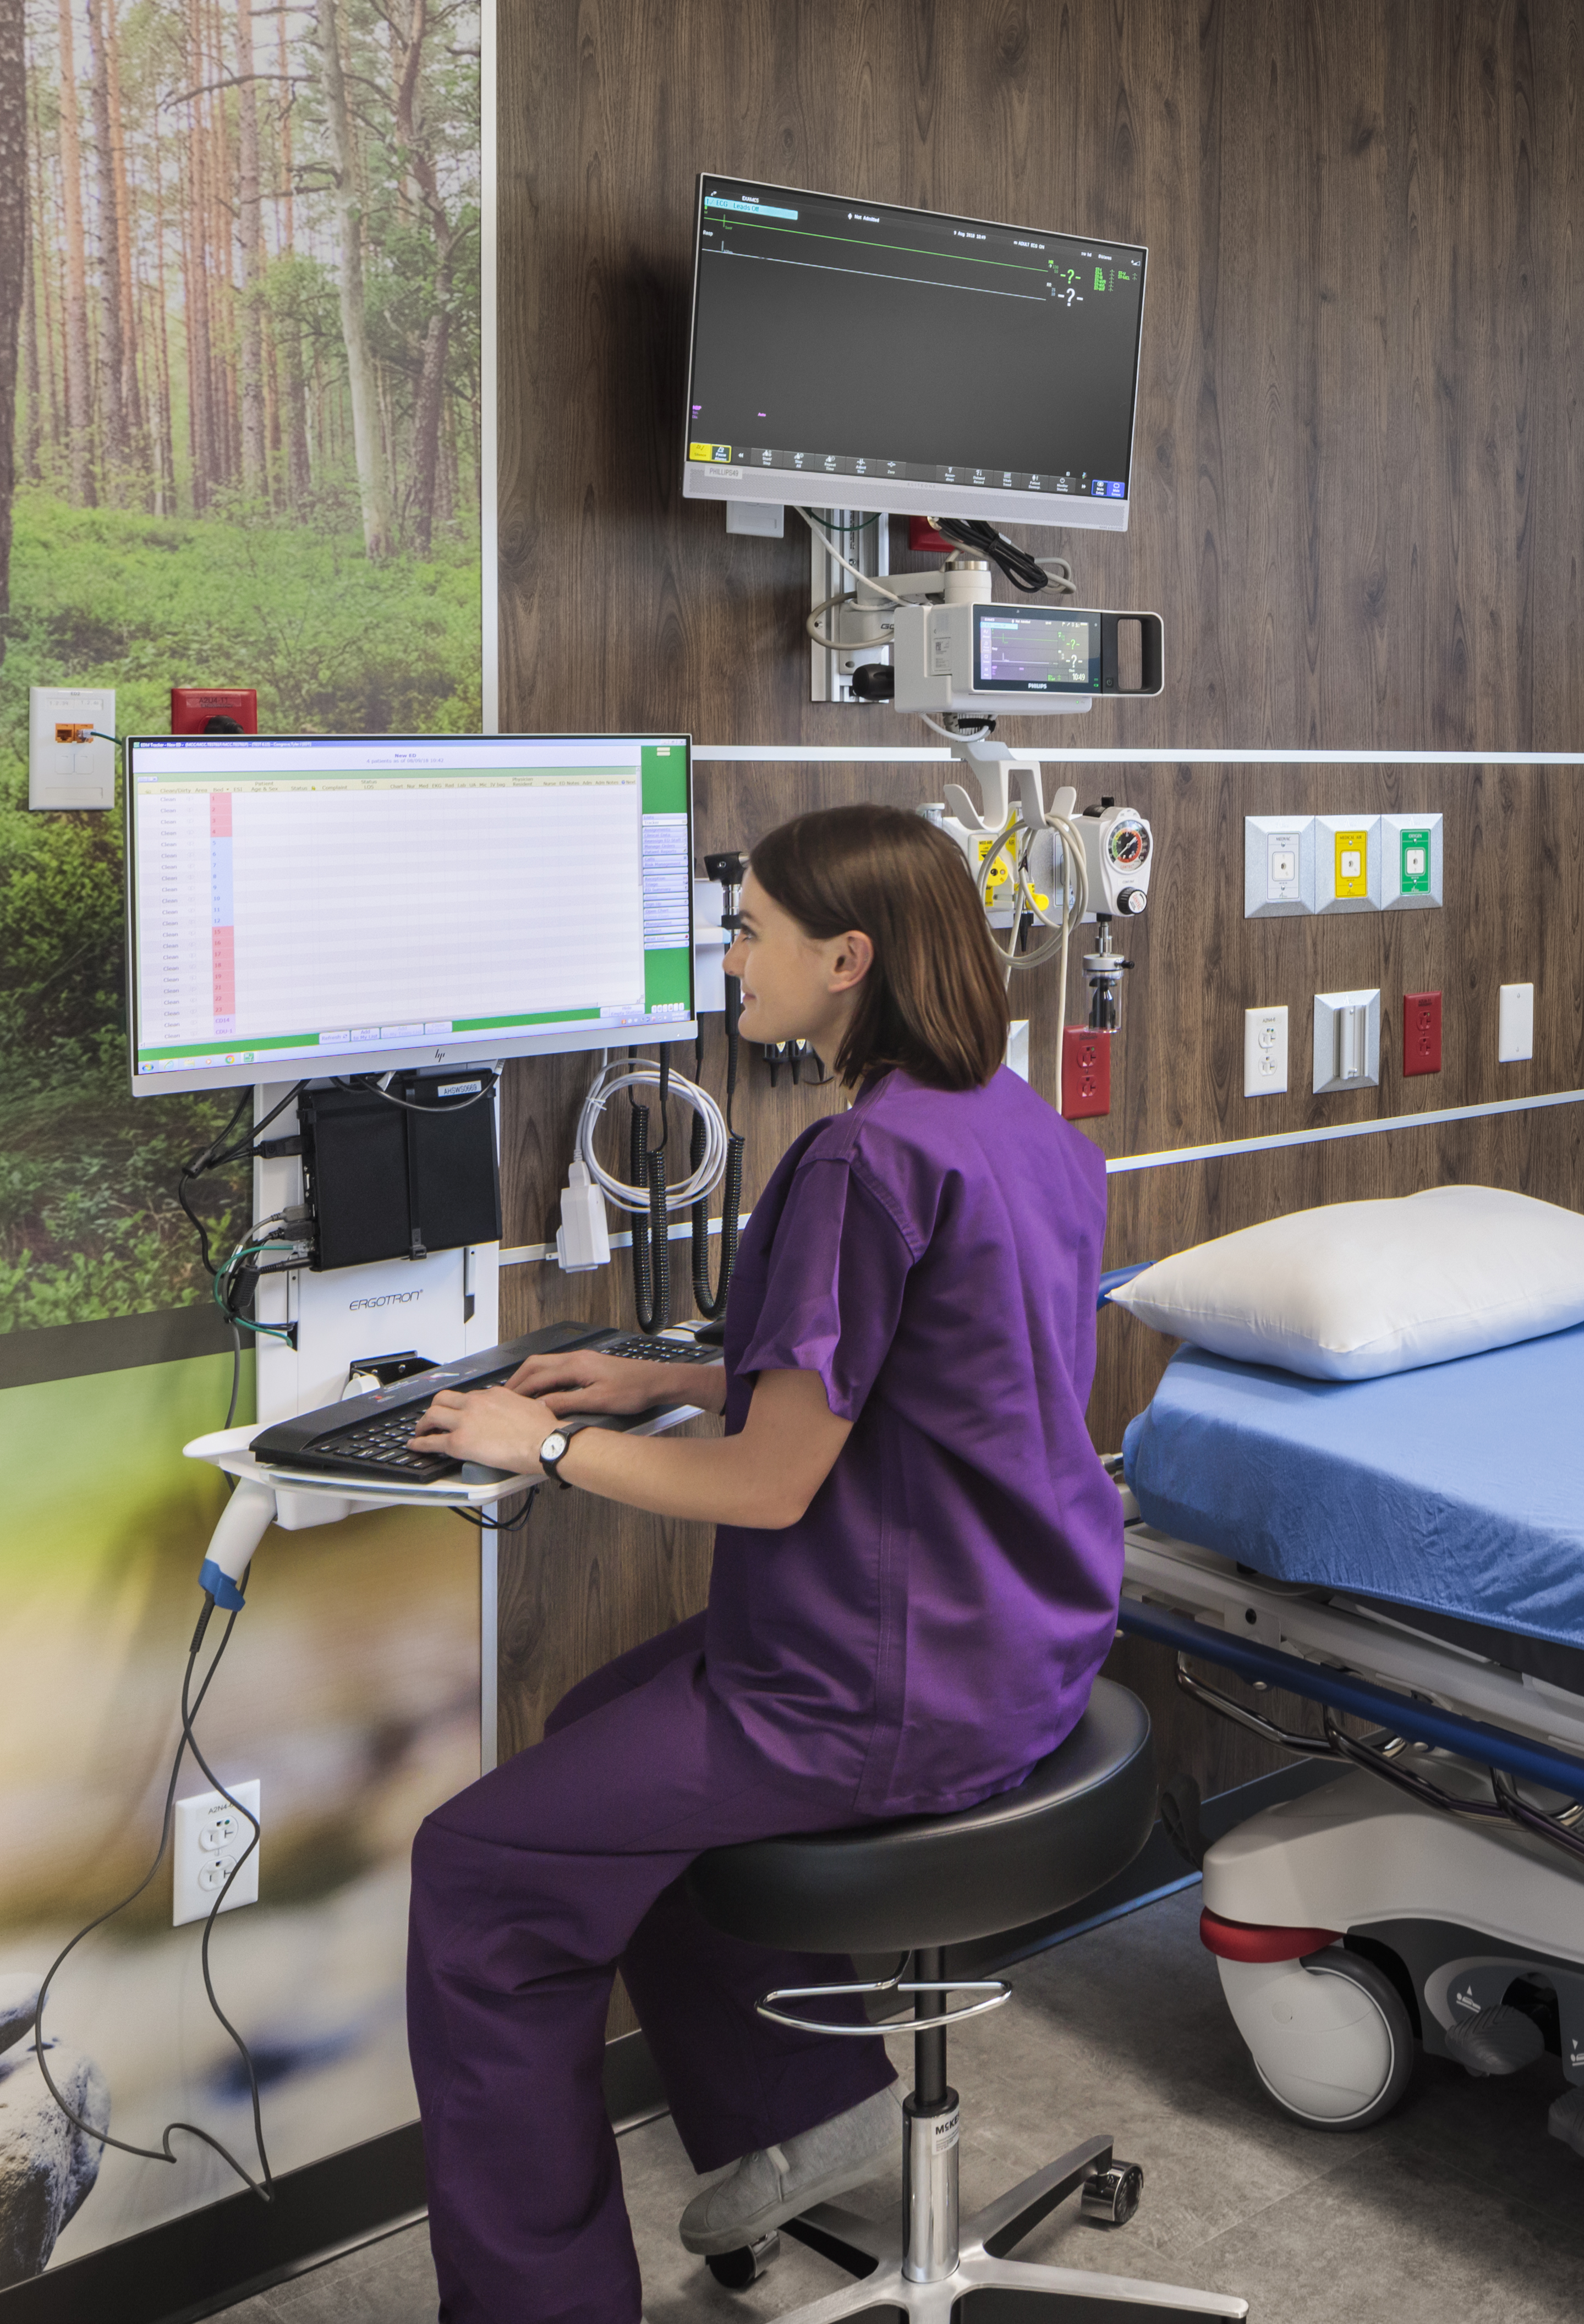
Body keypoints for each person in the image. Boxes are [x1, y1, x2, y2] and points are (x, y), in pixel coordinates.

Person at [399, 803, 1120, 2323]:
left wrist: (538, 1448)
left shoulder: (859, 1162)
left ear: (844, 957)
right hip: (1020, 1638)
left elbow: (774, 1487)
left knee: (474, 1871)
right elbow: (934, 1376)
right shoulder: (1010, 1122)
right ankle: (801, 2110)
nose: (728, 963)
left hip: (881, 1688)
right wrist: (671, 1382)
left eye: (748, 933)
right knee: (602, 1733)